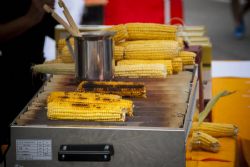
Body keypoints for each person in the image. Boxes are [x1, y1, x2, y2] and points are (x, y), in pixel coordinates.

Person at [0, 0, 58, 158]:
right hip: (8, 81)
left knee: (34, 142)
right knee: (12, 146)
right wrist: (30, 18)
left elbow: (56, 31)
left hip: (35, 77)